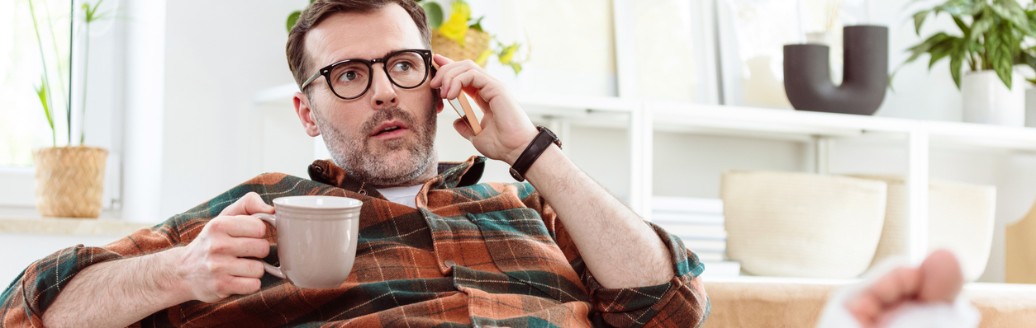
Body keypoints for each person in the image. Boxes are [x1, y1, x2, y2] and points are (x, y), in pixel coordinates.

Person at [0, 1, 967, 327]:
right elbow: (29, 309)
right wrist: (177, 272)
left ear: (438, 79)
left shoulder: (529, 202)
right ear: (304, 110)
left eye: (401, 64)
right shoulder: (254, 215)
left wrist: (532, 151)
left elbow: (668, 307)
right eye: (346, 75)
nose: (382, 89)